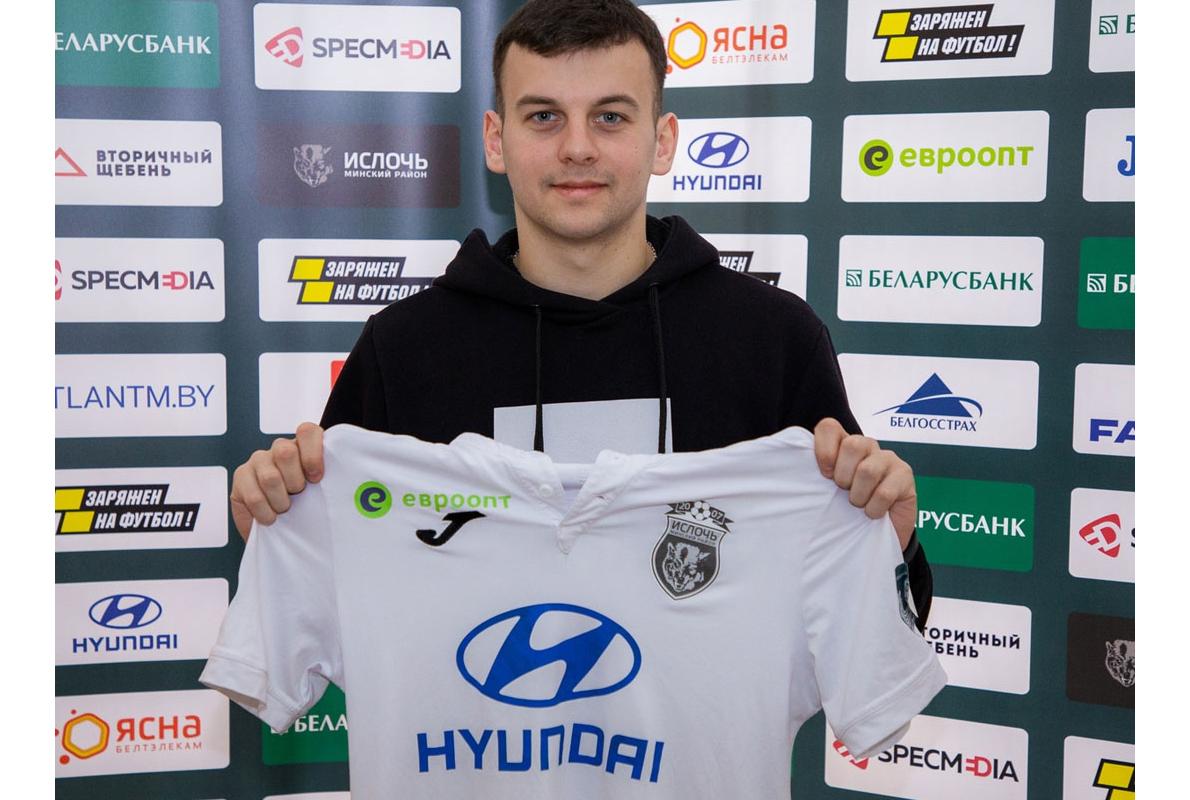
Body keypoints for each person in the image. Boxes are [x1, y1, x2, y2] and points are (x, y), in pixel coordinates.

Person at [229, 0, 933, 625]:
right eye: (543, 116)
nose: (576, 148)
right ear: (496, 140)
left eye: (610, 116)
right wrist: (280, 531)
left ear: (662, 140)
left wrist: (891, 542)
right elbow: (332, 613)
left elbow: (865, 629)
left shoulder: (773, 339)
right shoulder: (404, 348)